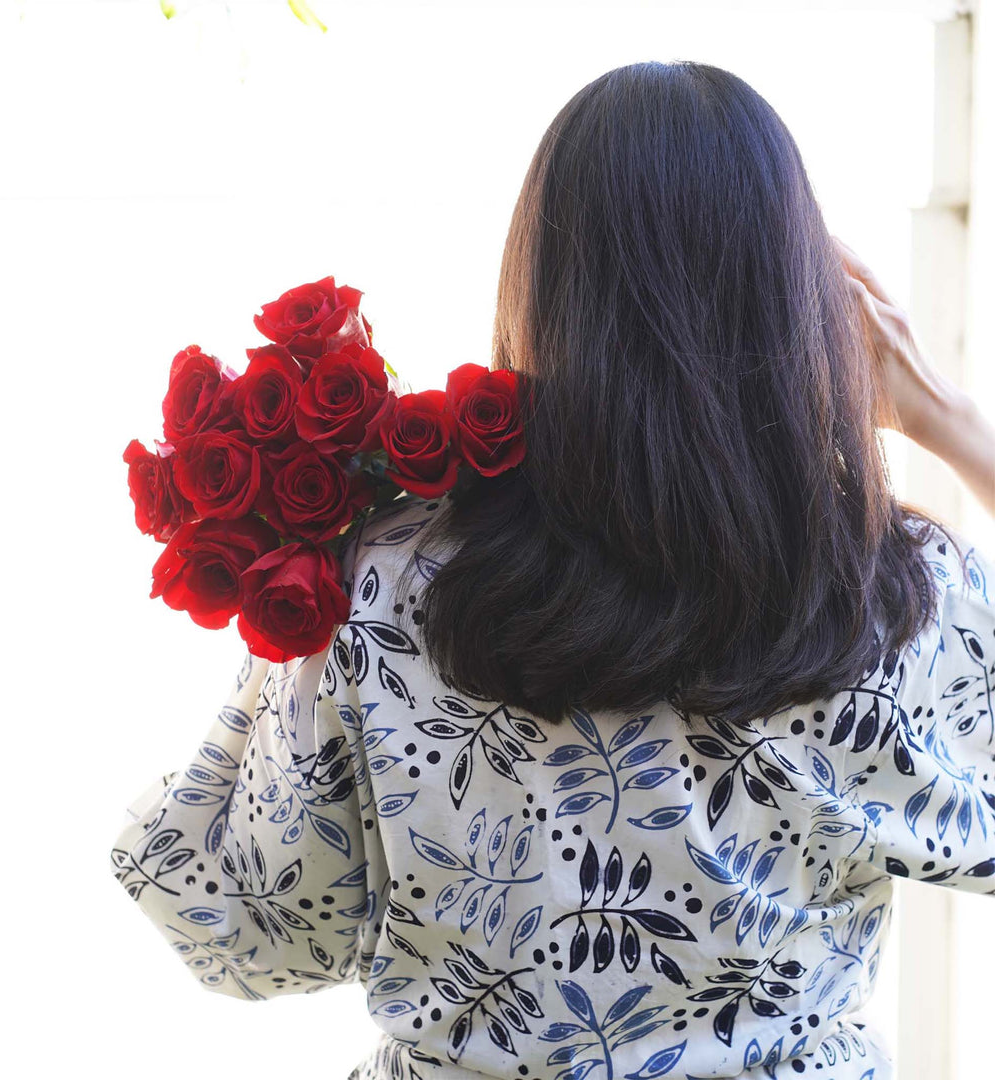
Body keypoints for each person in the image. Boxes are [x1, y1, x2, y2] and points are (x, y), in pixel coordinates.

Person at [109, 61, 995, 1080]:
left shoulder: (392, 580)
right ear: (792, 292)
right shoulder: (888, 600)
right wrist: (947, 419)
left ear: (543, 275)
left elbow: (253, 931)